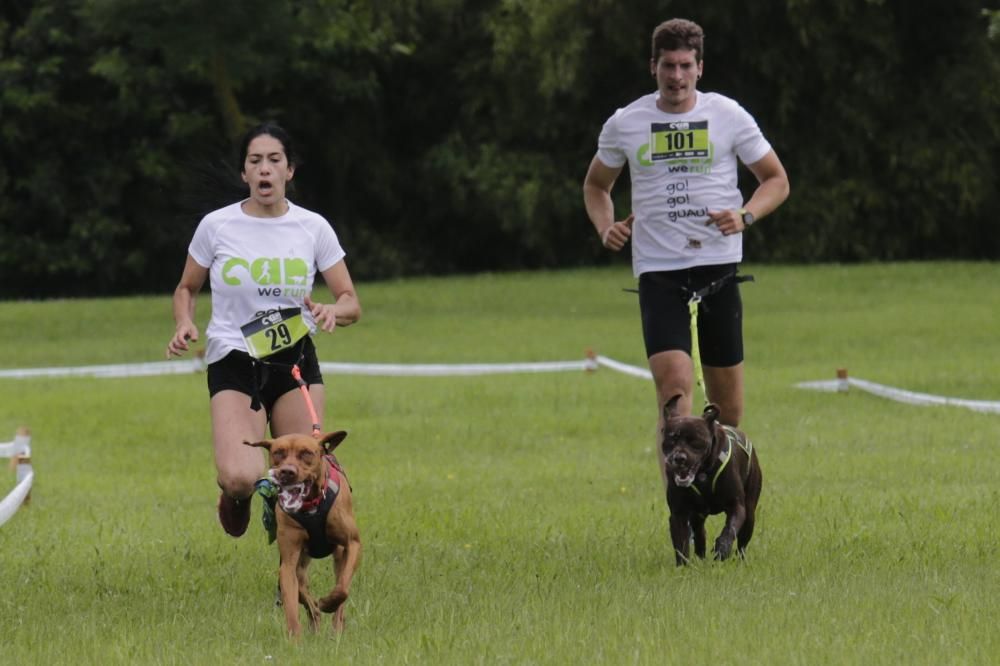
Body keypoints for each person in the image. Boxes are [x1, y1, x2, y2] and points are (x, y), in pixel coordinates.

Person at [582, 19, 789, 482]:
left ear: (699, 68)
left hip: (717, 268)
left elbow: (776, 180)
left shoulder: (728, 115)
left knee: (728, 411)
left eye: (685, 66)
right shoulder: (626, 123)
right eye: (667, 66)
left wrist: (746, 216)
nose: (676, 76)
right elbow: (597, 185)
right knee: (674, 395)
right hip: (660, 272)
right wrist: (605, 227)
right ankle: (681, 501)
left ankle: (725, 492)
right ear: (652, 67)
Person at [167, 121, 361, 538]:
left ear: (290, 170)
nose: (265, 169)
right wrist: (185, 321)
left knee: (306, 476)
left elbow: (351, 302)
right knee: (241, 477)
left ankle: (291, 577)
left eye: (274, 160)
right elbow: (186, 287)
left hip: (294, 362)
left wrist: (332, 311)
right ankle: (236, 497)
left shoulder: (313, 227)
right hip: (235, 360)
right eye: (255, 161)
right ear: (244, 173)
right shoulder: (217, 226)